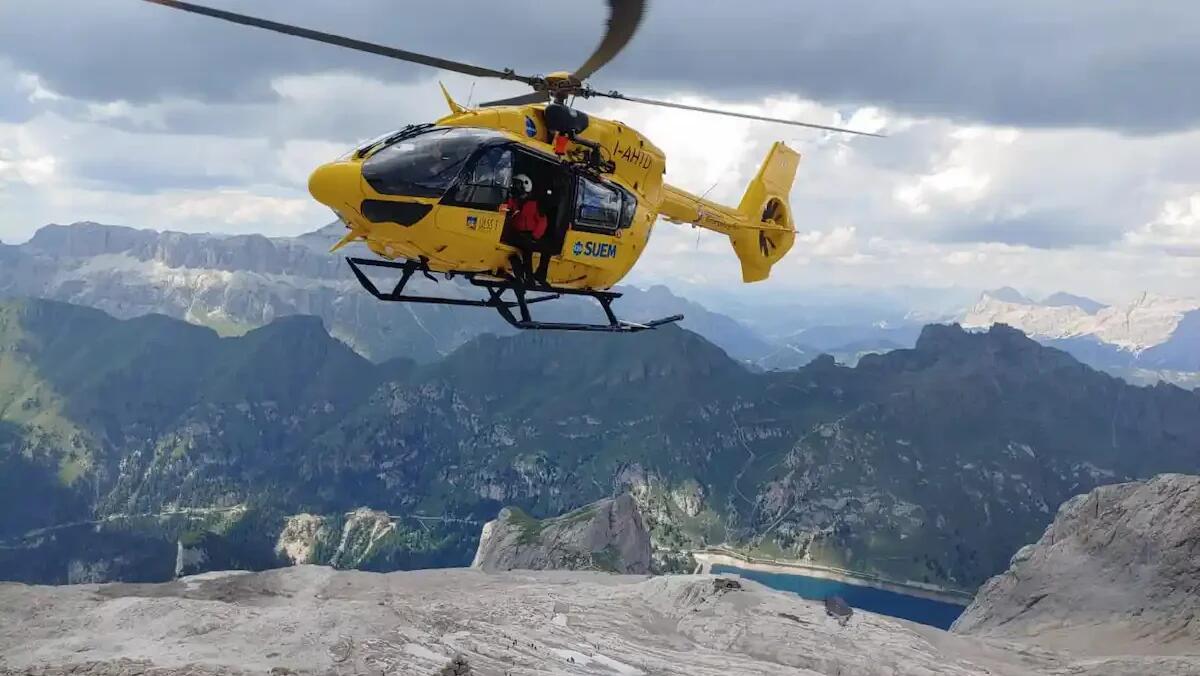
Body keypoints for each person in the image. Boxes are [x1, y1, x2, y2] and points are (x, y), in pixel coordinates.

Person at [504, 173, 548, 284]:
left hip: (530, 235)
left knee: (536, 250)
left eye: (517, 185)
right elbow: (507, 209)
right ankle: (525, 274)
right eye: (514, 185)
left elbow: (542, 222)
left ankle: (534, 276)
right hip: (516, 234)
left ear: (526, 186)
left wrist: (534, 236)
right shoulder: (513, 201)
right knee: (524, 248)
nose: (515, 187)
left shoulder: (535, 205)